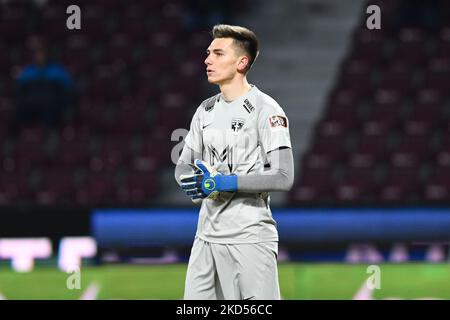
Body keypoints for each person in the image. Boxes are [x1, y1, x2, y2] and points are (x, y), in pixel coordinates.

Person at [174, 24, 294, 300]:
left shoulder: (267, 110)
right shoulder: (204, 110)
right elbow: (183, 165)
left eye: (217, 53)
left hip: (249, 237)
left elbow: (283, 176)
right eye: (208, 53)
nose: (207, 60)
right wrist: (190, 182)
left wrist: (224, 182)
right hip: (206, 237)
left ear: (242, 62)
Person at [14, 36, 75, 129]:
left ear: (46, 55)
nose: (39, 57)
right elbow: (20, 92)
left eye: (41, 54)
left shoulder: (57, 70)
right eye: (37, 54)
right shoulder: (28, 71)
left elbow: (68, 90)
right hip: (31, 107)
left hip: (51, 108)